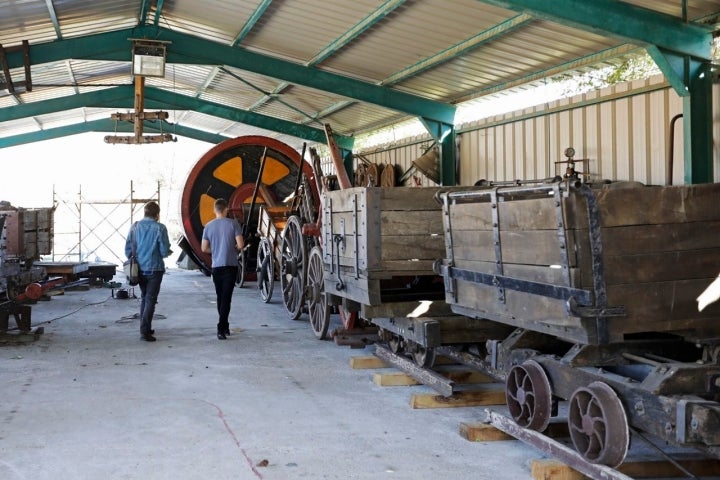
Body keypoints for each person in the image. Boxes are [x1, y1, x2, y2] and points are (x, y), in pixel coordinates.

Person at [125, 201, 171, 342]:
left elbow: (127, 250)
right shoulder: (160, 228)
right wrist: (167, 251)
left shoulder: (134, 227)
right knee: (150, 299)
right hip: (155, 268)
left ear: (144, 213)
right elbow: (163, 251)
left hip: (138, 269)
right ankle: (145, 331)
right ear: (157, 214)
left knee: (145, 297)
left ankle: (145, 327)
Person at [201, 198, 244, 340]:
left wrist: (217, 249)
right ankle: (221, 327)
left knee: (221, 298)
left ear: (215, 210)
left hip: (216, 267)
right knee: (227, 298)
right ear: (226, 210)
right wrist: (232, 248)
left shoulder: (208, 226)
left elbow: (204, 248)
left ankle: (224, 326)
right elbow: (241, 244)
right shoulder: (234, 224)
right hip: (230, 266)